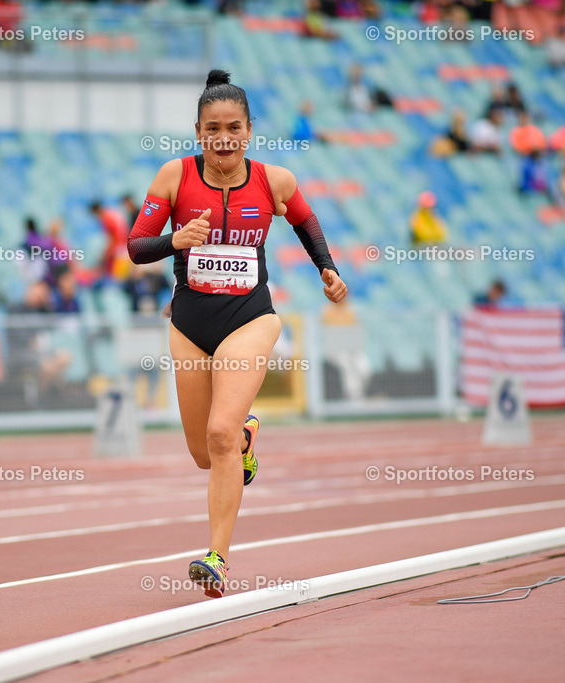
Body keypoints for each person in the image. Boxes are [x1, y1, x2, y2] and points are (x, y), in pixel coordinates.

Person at [127, 69, 347, 598]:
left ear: (248, 131)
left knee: (219, 434)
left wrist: (328, 270)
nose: (223, 138)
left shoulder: (275, 181)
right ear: (198, 133)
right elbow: (136, 248)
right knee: (204, 452)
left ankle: (218, 557)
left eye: (233, 128)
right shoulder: (173, 178)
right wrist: (177, 240)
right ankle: (248, 435)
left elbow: (305, 222)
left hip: (251, 316)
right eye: (212, 129)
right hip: (188, 322)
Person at [90, 200, 131, 282]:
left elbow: (114, 239)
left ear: (95, 211)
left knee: (118, 279)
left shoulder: (106, 218)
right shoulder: (111, 213)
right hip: (125, 246)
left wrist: (106, 254)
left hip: (120, 249)